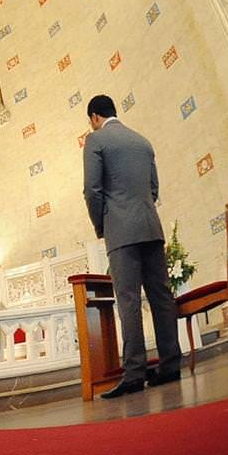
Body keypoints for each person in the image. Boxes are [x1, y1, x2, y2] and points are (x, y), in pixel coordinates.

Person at [82, 95, 181, 399]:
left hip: (121, 230)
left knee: (128, 301)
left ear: (94, 117)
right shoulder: (142, 141)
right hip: (151, 226)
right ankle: (170, 365)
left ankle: (135, 373)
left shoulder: (95, 140)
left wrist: (102, 225)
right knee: (162, 296)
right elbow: (153, 188)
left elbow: (92, 190)